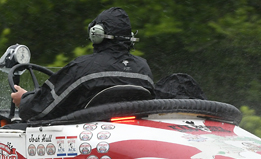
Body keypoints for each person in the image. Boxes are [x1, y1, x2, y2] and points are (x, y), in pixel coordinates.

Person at [11, 7, 155, 121]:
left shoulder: (84, 68)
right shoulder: (143, 70)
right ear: (130, 38)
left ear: (96, 34)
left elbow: (40, 110)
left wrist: (24, 100)